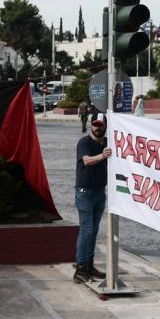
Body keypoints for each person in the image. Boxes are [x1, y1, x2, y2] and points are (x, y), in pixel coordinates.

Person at [73, 113, 112, 284]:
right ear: (90, 124)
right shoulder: (84, 142)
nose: (97, 128)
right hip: (84, 192)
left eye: (101, 125)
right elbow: (87, 161)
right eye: (95, 124)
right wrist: (103, 156)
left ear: (105, 126)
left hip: (99, 192)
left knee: (94, 230)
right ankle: (80, 269)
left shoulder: (108, 144)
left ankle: (89, 264)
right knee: (86, 230)